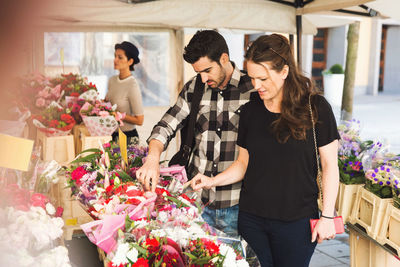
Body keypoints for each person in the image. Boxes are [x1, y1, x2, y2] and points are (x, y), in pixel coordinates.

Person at [190, 34, 340, 267]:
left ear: (284, 71)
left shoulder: (316, 108)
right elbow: (242, 163)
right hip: (252, 220)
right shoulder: (250, 111)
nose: (256, 86)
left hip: (297, 223)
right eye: (252, 78)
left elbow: (330, 165)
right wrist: (212, 181)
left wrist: (328, 216)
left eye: (263, 78)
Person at [136, 30, 253, 237]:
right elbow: (166, 124)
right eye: (198, 72)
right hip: (199, 204)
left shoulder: (252, 90)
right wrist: (153, 158)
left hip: (241, 204)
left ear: (224, 58)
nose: (203, 78)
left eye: (207, 70)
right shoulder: (195, 87)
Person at [106, 41, 144, 144]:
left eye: (120, 57)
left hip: (128, 139)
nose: (115, 60)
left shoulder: (132, 85)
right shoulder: (112, 80)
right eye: (115, 56)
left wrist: (118, 115)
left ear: (130, 61)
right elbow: (107, 103)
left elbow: (140, 120)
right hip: (111, 136)